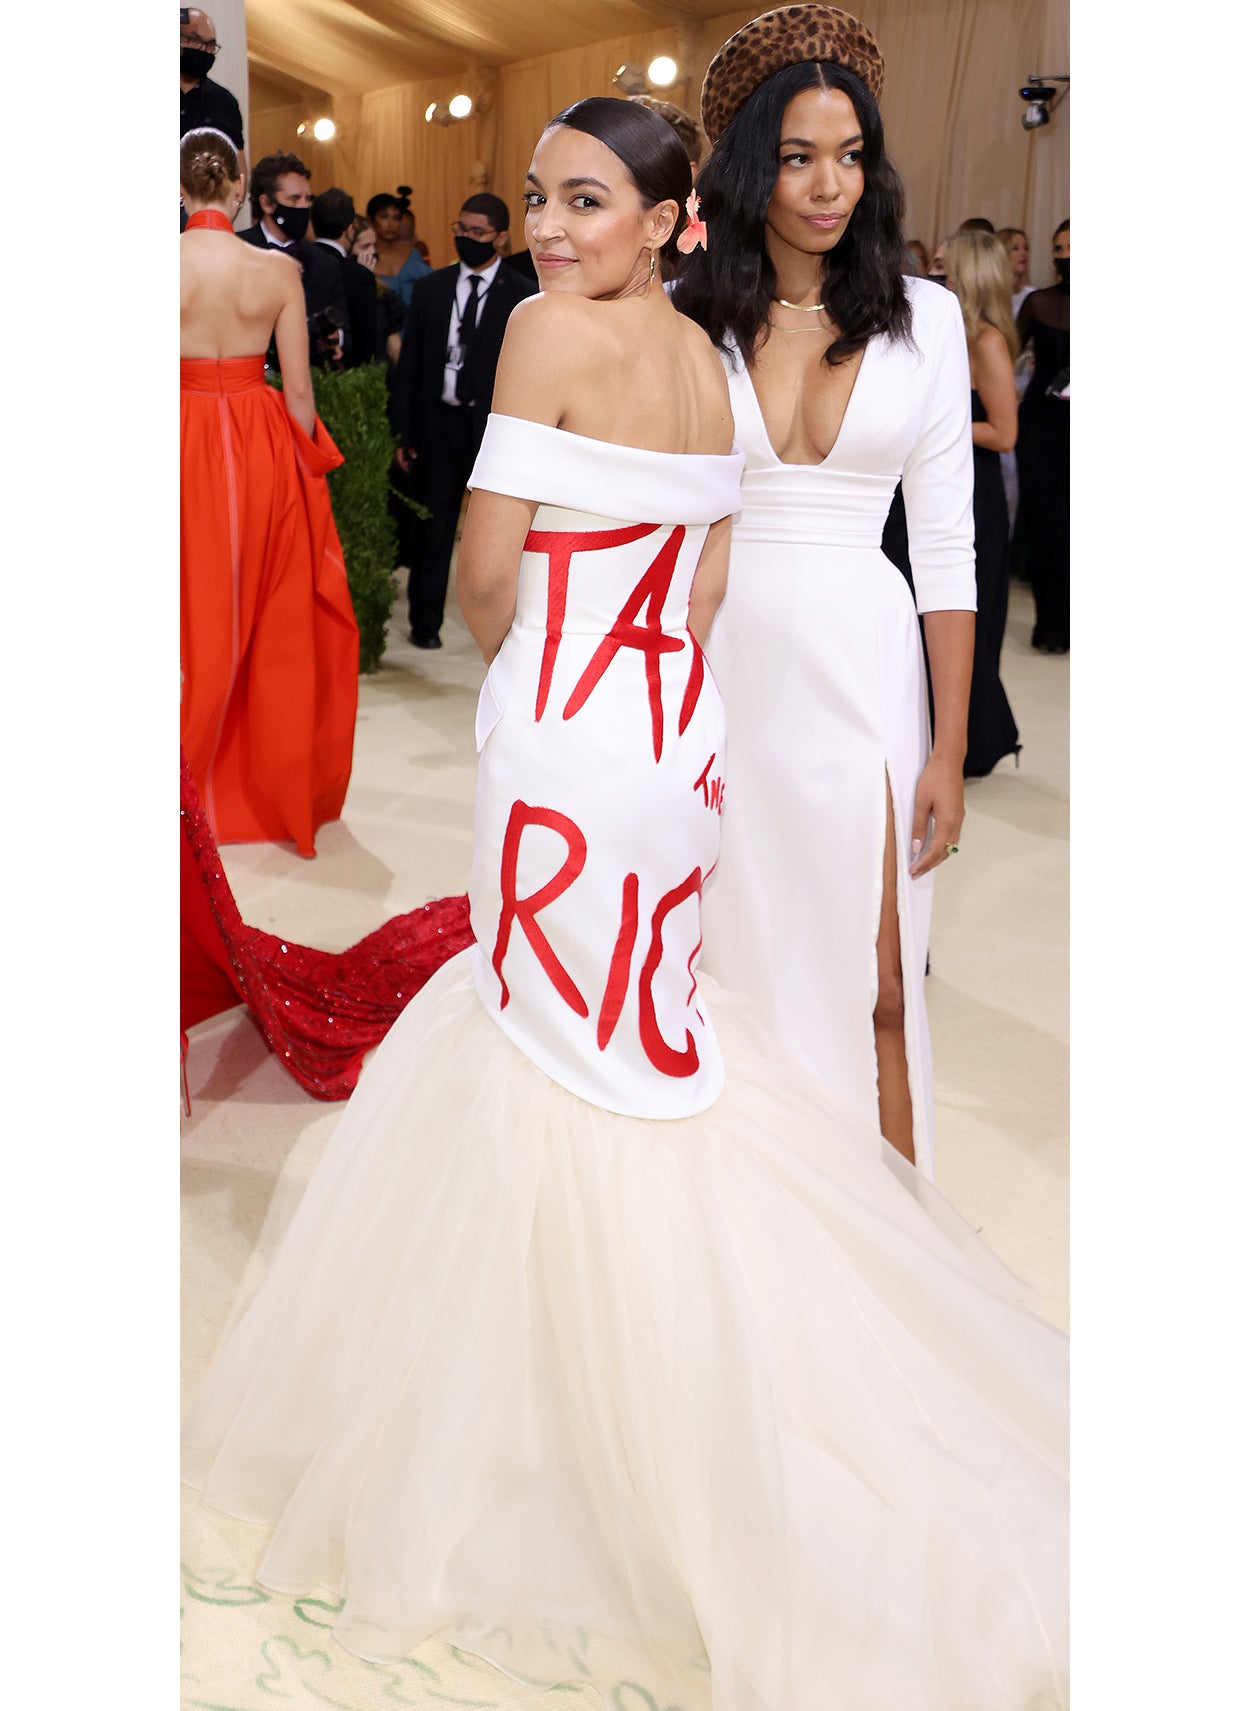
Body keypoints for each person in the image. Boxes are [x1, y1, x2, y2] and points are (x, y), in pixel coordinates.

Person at [182, 94, 1068, 1711]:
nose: (546, 227)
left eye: (584, 200)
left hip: (571, 740)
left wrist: (542, 679)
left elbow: (484, 575)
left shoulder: (544, 332)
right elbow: (712, 576)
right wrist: (651, 688)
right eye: (538, 196)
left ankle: (557, 1427)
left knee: (544, 1057)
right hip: (679, 741)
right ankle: (698, 1381)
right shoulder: (701, 363)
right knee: (654, 1049)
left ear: (668, 219)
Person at [673, 5, 975, 1179]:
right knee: (734, 967)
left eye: (849, 155)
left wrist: (947, 747)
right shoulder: (690, 319)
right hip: (721, 668)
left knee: (881, 980)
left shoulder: (927, 320)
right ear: (752, 167)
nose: (827, 184)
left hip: (865, 669)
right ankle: (754, 1226)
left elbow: (944, 547)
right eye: (798, 157)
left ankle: (896, 1231)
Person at [180, 129, 359, 859]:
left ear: (178, 189)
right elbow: (301, 393)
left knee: (187, 606)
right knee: (269, 610)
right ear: (239, 187)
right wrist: (306, 474)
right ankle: (258, 790)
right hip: (260, 440)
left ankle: (185, 788)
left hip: (179, 435)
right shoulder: (280, 269)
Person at [391, 193, 537, 649]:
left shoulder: (523, 295)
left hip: (494, 430)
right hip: (438, 425)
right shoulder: (432, 288)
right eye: (461, 229)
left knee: (502, 533)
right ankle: (425, 623)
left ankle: (509, 629)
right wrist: (403, 430)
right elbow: (410, 365)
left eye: (477, 233)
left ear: (501, 237)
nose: (466, 239)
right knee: (433, 529)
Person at [943, 230, 1021, 776]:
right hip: (949, 481)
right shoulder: (951, 334)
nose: (940, 275)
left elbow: (1005, 433)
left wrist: (941, 426)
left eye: (948, 266)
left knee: (973, 612)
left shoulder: (987, 342)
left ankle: (978, 741)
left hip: (976, 491)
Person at [238, 152, 349, 368]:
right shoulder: (239, 251)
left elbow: (347, 332)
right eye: (294, 199)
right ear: (266, 203)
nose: (303, 207)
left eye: (307, 199)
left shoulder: (324, 264)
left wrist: (335, 337)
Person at [1015, 219, 1070, 652]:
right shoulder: (1039, 302)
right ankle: (1050, 625)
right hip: (1040, 425)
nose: (1066, 257)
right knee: (1046, 523)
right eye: (1059, 249)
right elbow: (1004, 354)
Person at [310, 186, 377, 368]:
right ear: (350, 229)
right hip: (343, 373)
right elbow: (366, 343)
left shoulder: (296, 263)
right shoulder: (359, 276)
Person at [179, 8, 243, 149]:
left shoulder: (225, 103)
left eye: (210, 45)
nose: (203, 50)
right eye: (195, 40)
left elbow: (236, 160)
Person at [349, 221, 406, 365]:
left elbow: (394, 343)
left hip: (380, 369)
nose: (373, 252)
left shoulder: (385, 294)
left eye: (374, 245)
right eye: (365, 247)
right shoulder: (340, 289)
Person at [367, 190, 431, 308]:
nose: (390, 224)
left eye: (396, 218)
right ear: (370, 220)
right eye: (383, 217)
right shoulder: (363, 256)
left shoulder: (413, 254)